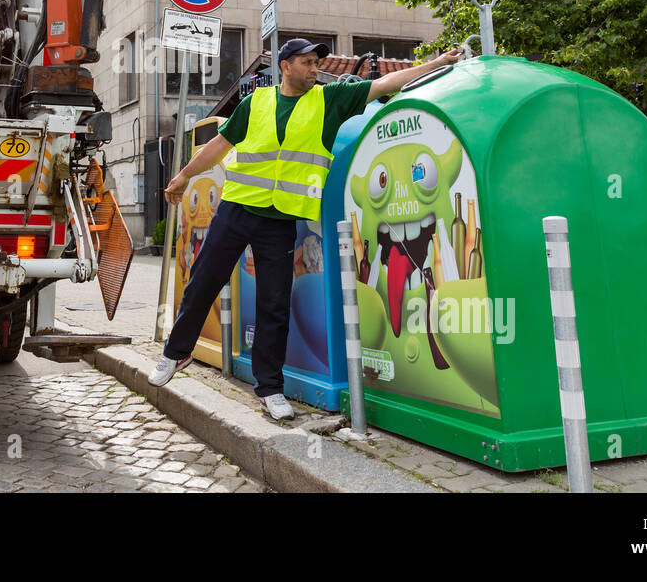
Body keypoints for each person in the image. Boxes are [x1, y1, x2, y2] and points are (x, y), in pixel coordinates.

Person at [151, 37, 461, 419]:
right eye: (308, 62)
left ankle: (270, 390)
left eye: (317, 62)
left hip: (281, 220)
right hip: (237, 208)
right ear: (285, 65)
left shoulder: (329, 100)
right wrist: (183, 176)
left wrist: (436, 62)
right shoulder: (256, 102)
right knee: (202, 281)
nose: (315, 69)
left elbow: (384, 85)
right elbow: (219, 144)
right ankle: (176, 353)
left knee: (274, 304)